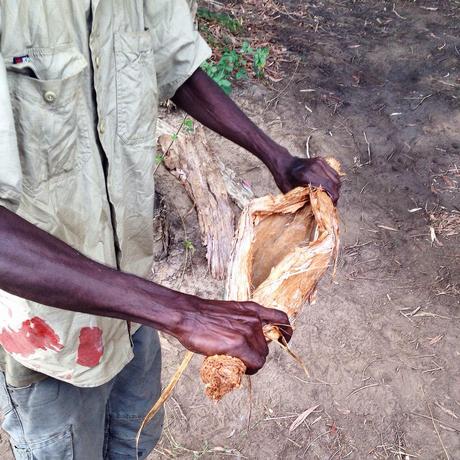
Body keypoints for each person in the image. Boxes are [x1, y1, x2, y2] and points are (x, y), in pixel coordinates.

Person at [0, 1, 341, 459]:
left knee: (132, 441)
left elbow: (174, 64)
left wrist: (278, 157)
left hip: (135, 297)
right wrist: (185, 314)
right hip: (51, 337)